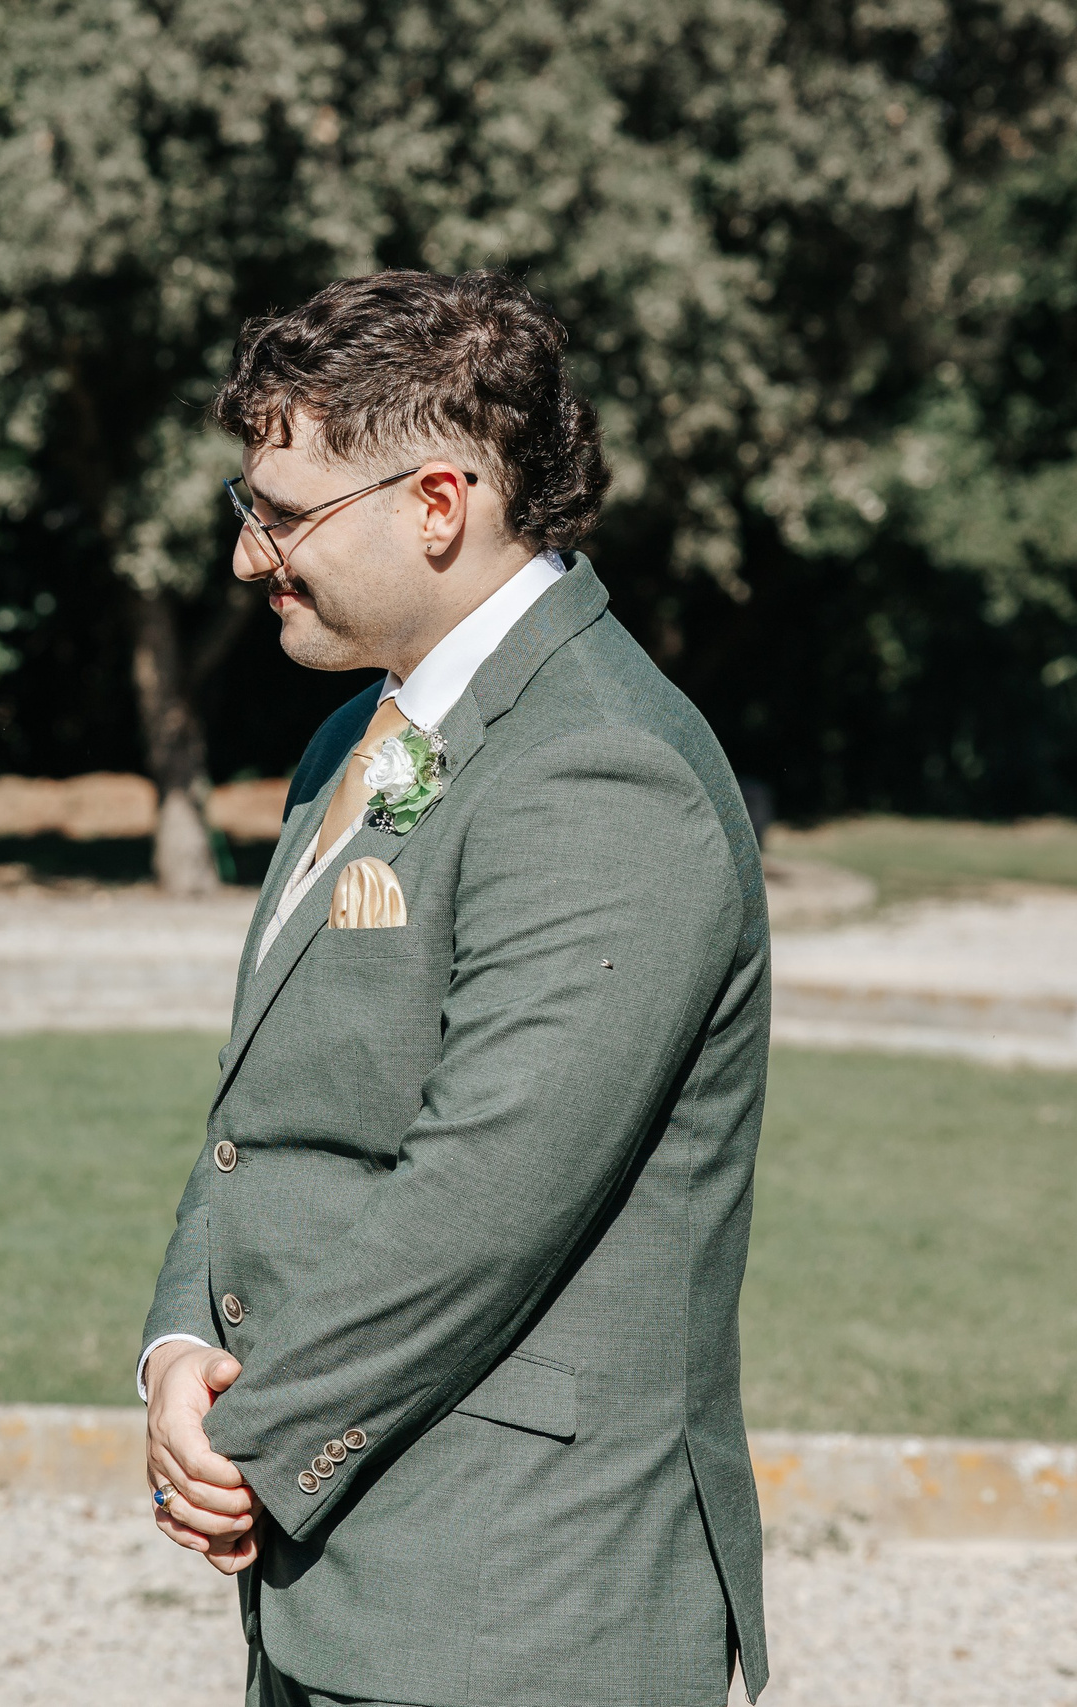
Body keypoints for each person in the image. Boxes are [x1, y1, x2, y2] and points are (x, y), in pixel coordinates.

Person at [138, 272, 771, 1707]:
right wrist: (183, 1347)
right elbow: (268, 1114)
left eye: (282, 513)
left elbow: (485, 1194)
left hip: (517, 1600)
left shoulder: (601, 770)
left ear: (438, 501)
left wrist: (250, 1437)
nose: (249, 559)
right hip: (342, 1565)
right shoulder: (352, 741)